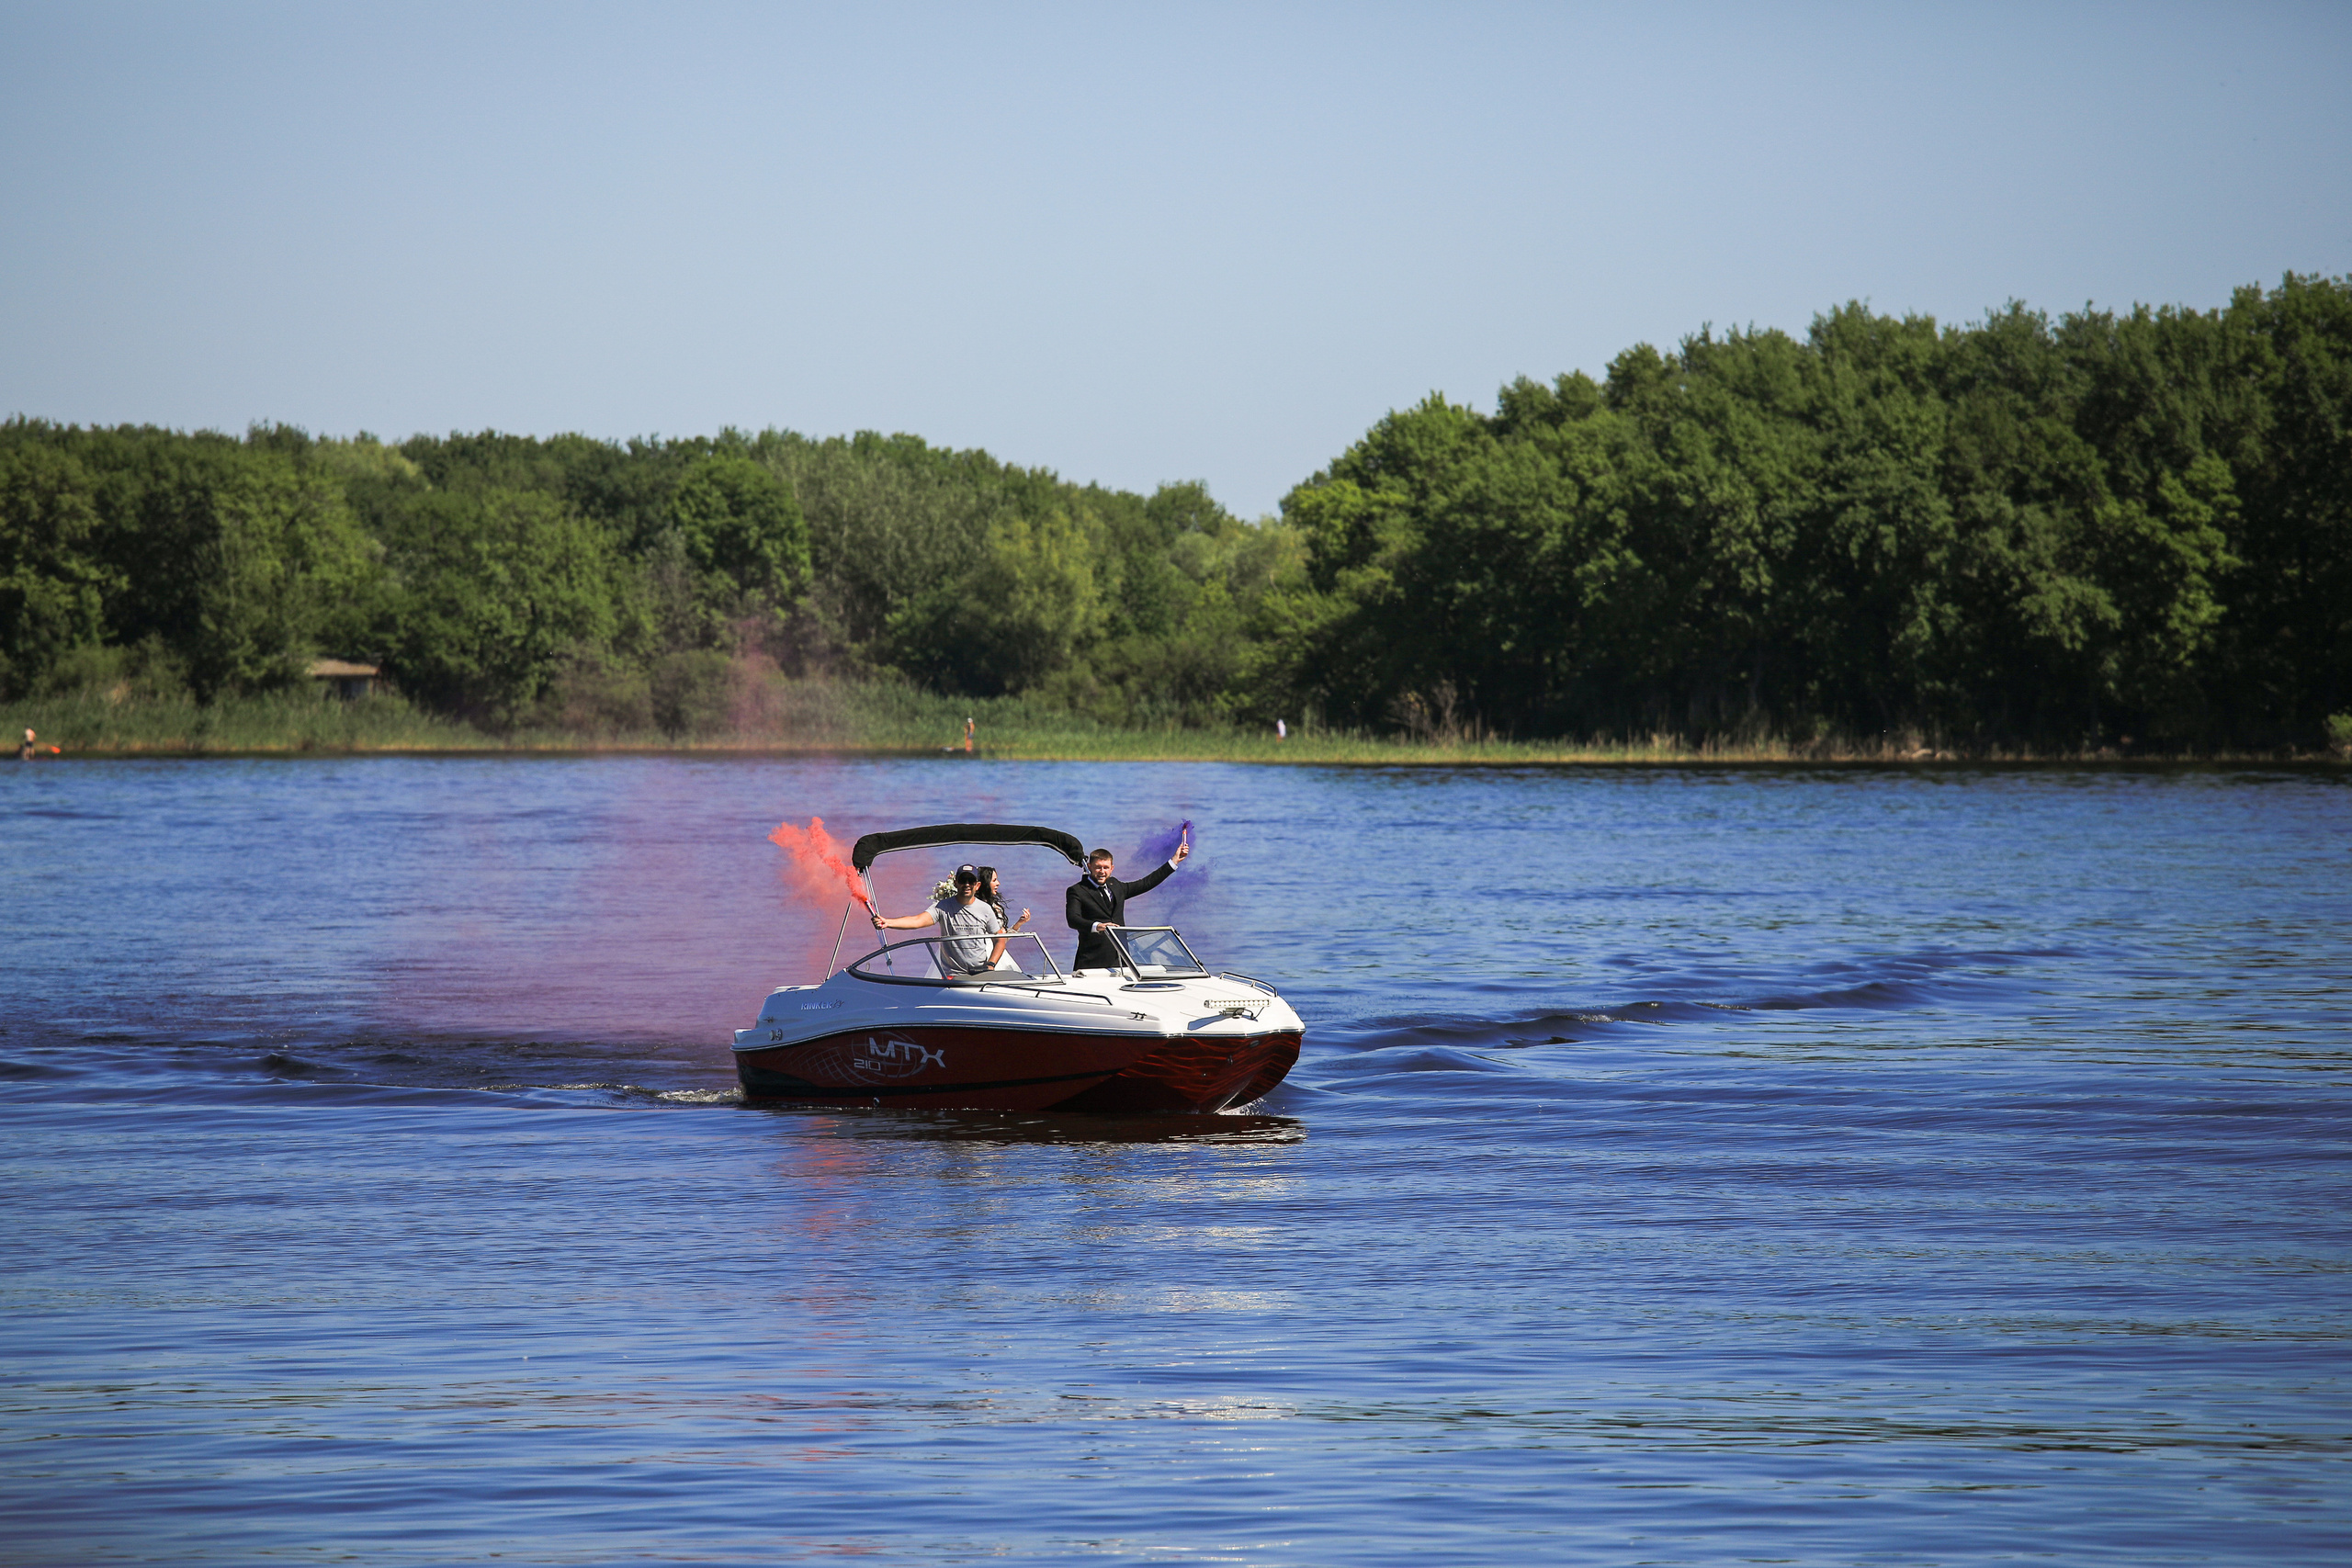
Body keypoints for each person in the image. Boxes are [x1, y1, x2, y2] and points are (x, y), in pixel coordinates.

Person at [1065, 837, 1190, 972]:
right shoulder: (1077, 890)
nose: (1102, 872)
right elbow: (1073, 919)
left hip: (1121, 961)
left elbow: (1146, 883)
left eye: (1106, 868)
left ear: (1112, 868)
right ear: (1090, 867)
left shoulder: (1116, 886)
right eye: (1098, 867)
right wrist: (1098, 926)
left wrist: (1174, 861)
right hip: (1091, 963)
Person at [872, 863, 1008, 976]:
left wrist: (990, 965)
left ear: (977, 885)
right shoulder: (943, 907)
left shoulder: (985, 909)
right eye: (962, 880)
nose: (966, 884)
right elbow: (917, 921)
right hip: (953, 975)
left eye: (970, 881)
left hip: (980, 973)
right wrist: (888, 922)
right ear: (956, 883)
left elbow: (999, 939)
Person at [976, 866, 1032, 954]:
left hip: (998, 954)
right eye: (994, 880)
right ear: (984, 883)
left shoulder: (995, 906)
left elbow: (1002, 940)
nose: (998, 883)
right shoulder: (975, 908)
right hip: (982, 954)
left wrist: (1019, 923)